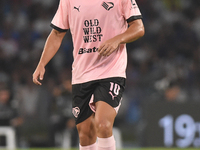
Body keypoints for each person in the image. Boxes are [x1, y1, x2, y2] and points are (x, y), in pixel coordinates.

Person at [33, 0, 145, 149]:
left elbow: (139, 28)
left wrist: (117, 40)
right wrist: (42, 63)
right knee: (85, 133)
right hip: (82, 74)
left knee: (103, 124)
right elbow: (57, 33)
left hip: (110, 70)